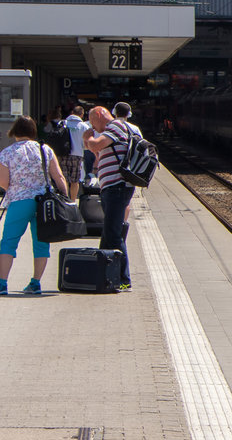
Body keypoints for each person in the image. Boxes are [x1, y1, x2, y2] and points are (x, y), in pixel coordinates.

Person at [0, 115, 69, 295]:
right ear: (33, 131)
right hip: (44, 204)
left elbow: (3, 182)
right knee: (41, 244)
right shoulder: (45, 149)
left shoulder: (7, 153)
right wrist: (67, 199)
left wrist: (18, 188)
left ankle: (2, 284)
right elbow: (58, 177)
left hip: (18, 201)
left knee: (8, 243)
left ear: (15, 131)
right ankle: (35, 283)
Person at [84, 102, 141, 291]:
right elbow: (98, 151)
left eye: (93, 122)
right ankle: (103, 274)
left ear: (100, 114)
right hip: (112, 187)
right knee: (109, 233)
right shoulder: (111, 130)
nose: (94, 128)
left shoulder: (114, 125)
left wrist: (88, 137)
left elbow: (96, 145)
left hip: (117, 187)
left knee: (114, 235)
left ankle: (124, 279)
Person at [61, 105, 89, 200]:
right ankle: (72, 201)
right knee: (75, 180)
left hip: (63, 154)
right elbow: (86, 144)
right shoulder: (84, 126)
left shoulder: (63, 123)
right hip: (77, 154)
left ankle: (64, 199)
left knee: (63, 179)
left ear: (72, 113)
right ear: (81, 114)